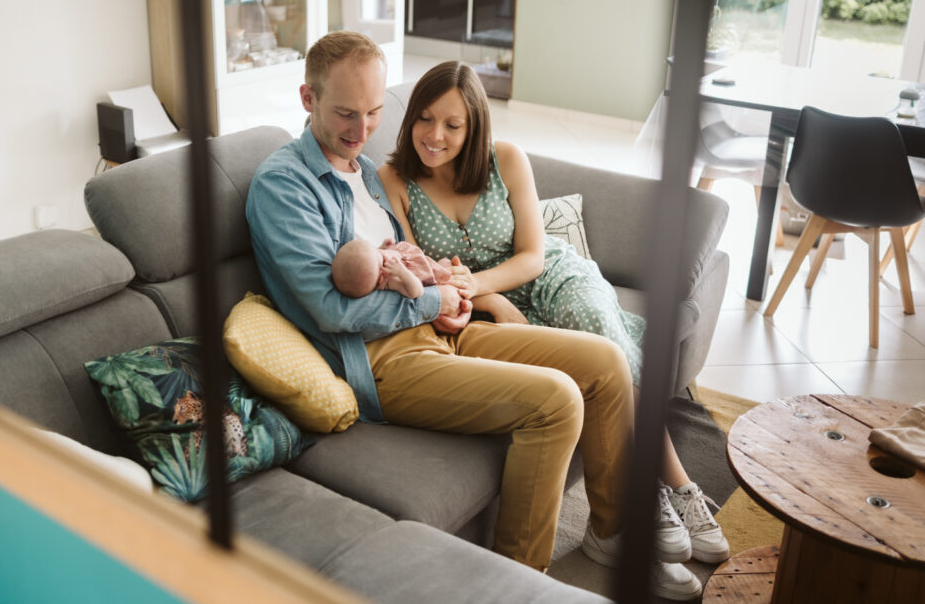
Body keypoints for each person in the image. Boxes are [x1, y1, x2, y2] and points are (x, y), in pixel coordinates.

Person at [245, 32, 650, 588]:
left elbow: (404, 260)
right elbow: (331, 309)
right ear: (307, 99)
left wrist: (451, 300)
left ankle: (612, 536)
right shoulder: (283, 185)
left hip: (436, 331)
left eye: (373, 113)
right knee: (555, 401)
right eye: (345, 113)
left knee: (604, 364)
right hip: (380, 363)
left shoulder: (363, 172)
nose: (362, 132)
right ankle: (514, 585)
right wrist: (434, 299)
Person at [380, 62, 730, 584]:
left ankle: (670, 485)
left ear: (474, 124)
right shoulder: (393, 180)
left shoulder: (507, 160)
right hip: (475, 309)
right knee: (586, 371)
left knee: (593, 324)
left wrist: (480, 286)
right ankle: (642, 503)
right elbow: (420, 276)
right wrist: (487, 304)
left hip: (546, 278)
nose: (435, 136)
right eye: (425, 119)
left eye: (452, 125)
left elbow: (533, 257)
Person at [331, 237, 454, 299]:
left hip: (422, 260)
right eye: (384, 263)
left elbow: (376, 256)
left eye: (379, 254)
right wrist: (402, 273)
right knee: (447, 272)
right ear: (380, 279)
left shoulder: (374, 260)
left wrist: (383, 248)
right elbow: (417, 292)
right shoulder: (392, 280)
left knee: (444, 263)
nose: (387, 260)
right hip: (428, 276)